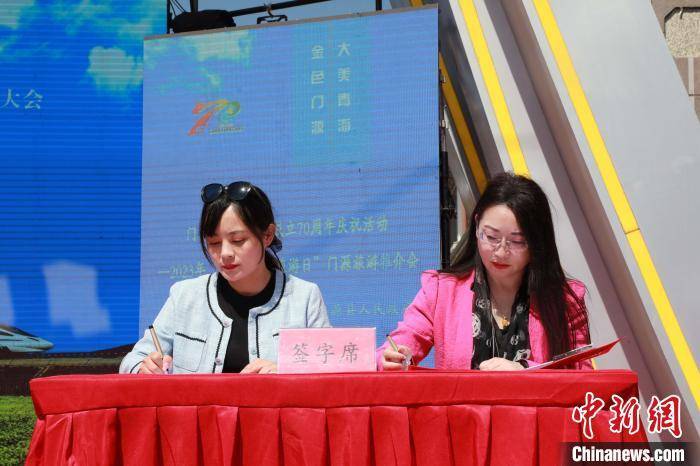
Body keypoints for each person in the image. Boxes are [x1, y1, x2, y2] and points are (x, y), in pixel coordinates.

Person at [378, 173, 591, 371]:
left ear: (538, 242)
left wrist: (526, 371)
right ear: (477, 225)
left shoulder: (565, 302)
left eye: (517, 241)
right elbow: (399, 344)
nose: (501, 251)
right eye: (491, 237)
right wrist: (390, 359)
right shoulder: (441, 291)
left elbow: (582, 379)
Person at [120, 181, 330, 375]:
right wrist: (144, 368)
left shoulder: (304, 297)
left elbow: (331, 370)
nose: (225, 253)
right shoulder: (184, 296)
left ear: (267, 235)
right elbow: (132, 361)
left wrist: (286, 372)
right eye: (214, 243)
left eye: (238, 240)